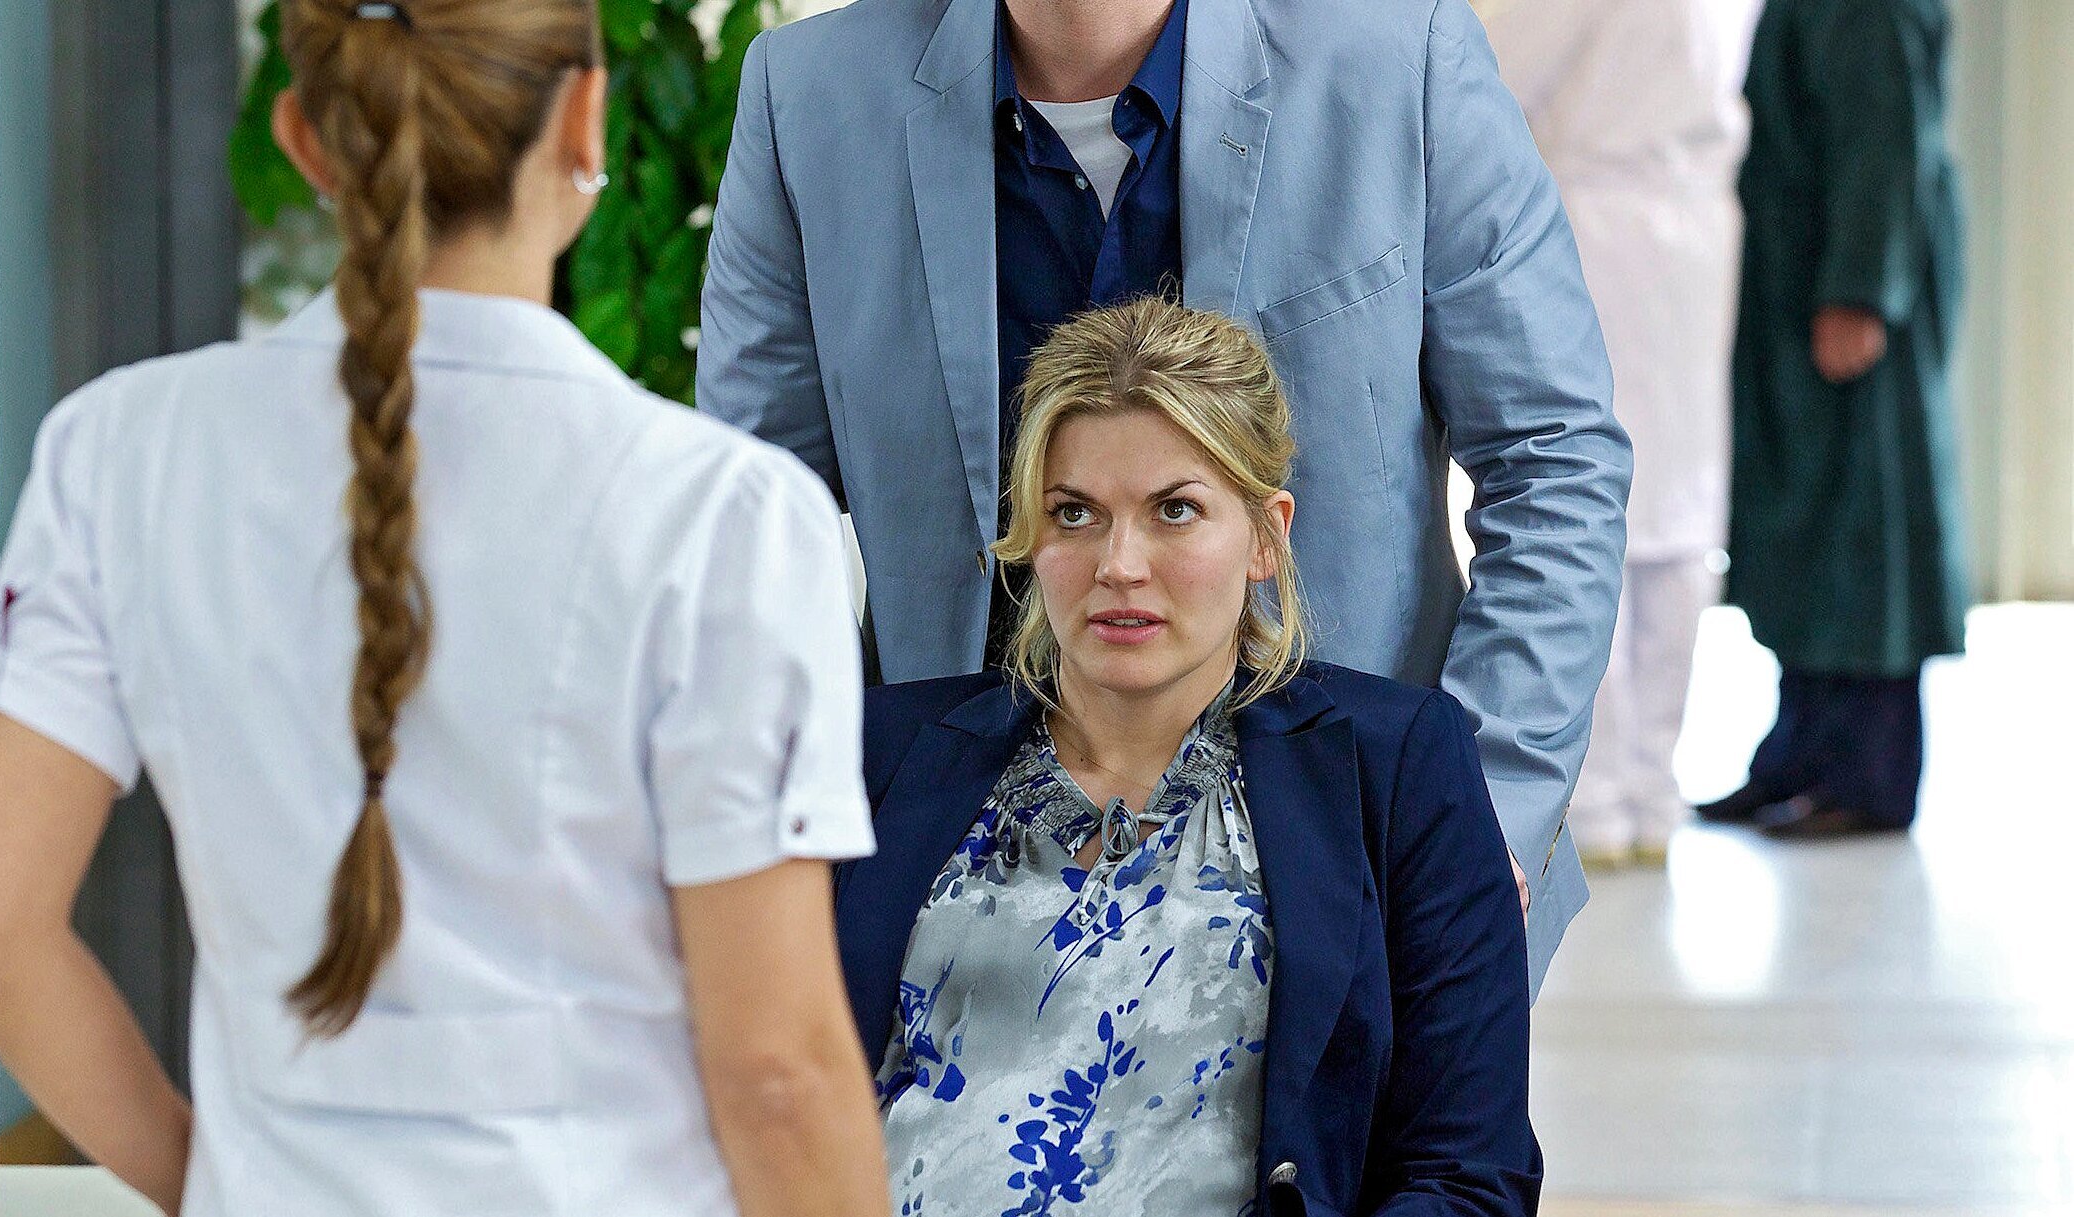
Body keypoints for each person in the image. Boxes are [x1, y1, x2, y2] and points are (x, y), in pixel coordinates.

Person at [0, 2, 888, 1214]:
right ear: (586, 121)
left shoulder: (116, 449)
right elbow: (778, 1073)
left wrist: (208, 1180)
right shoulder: (724, 513)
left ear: (305, 138)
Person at [699, 0, 1630, 994]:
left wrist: (1478, 815)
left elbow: (1554, 455)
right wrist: (807, 853)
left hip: (1357, 878)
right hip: (955, 901)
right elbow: (749, 534)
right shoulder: (810, 95)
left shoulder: (1397, 58)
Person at [836, 299, 1539, 1217]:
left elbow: (1469, 1175)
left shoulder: (1400, 767)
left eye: (1175, 511)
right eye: (1075, 513)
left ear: (1265, 535)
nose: (1120, 564)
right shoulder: (877, 756)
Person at [1480, 0, 1762, 867]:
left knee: (1586, 500)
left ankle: (1596, 795)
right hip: (1697, 231)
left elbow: (1486, 68)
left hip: (1592, 226)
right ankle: (1652, 789)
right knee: (1681, 512)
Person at [1697, 0, 1967, 840]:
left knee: (1865, 527)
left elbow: (1887, 135)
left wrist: (1860, 290)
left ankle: (1867, 773)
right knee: (1808, 529)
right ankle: (1801, 753)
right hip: (1796, 275)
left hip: (1847, 287)